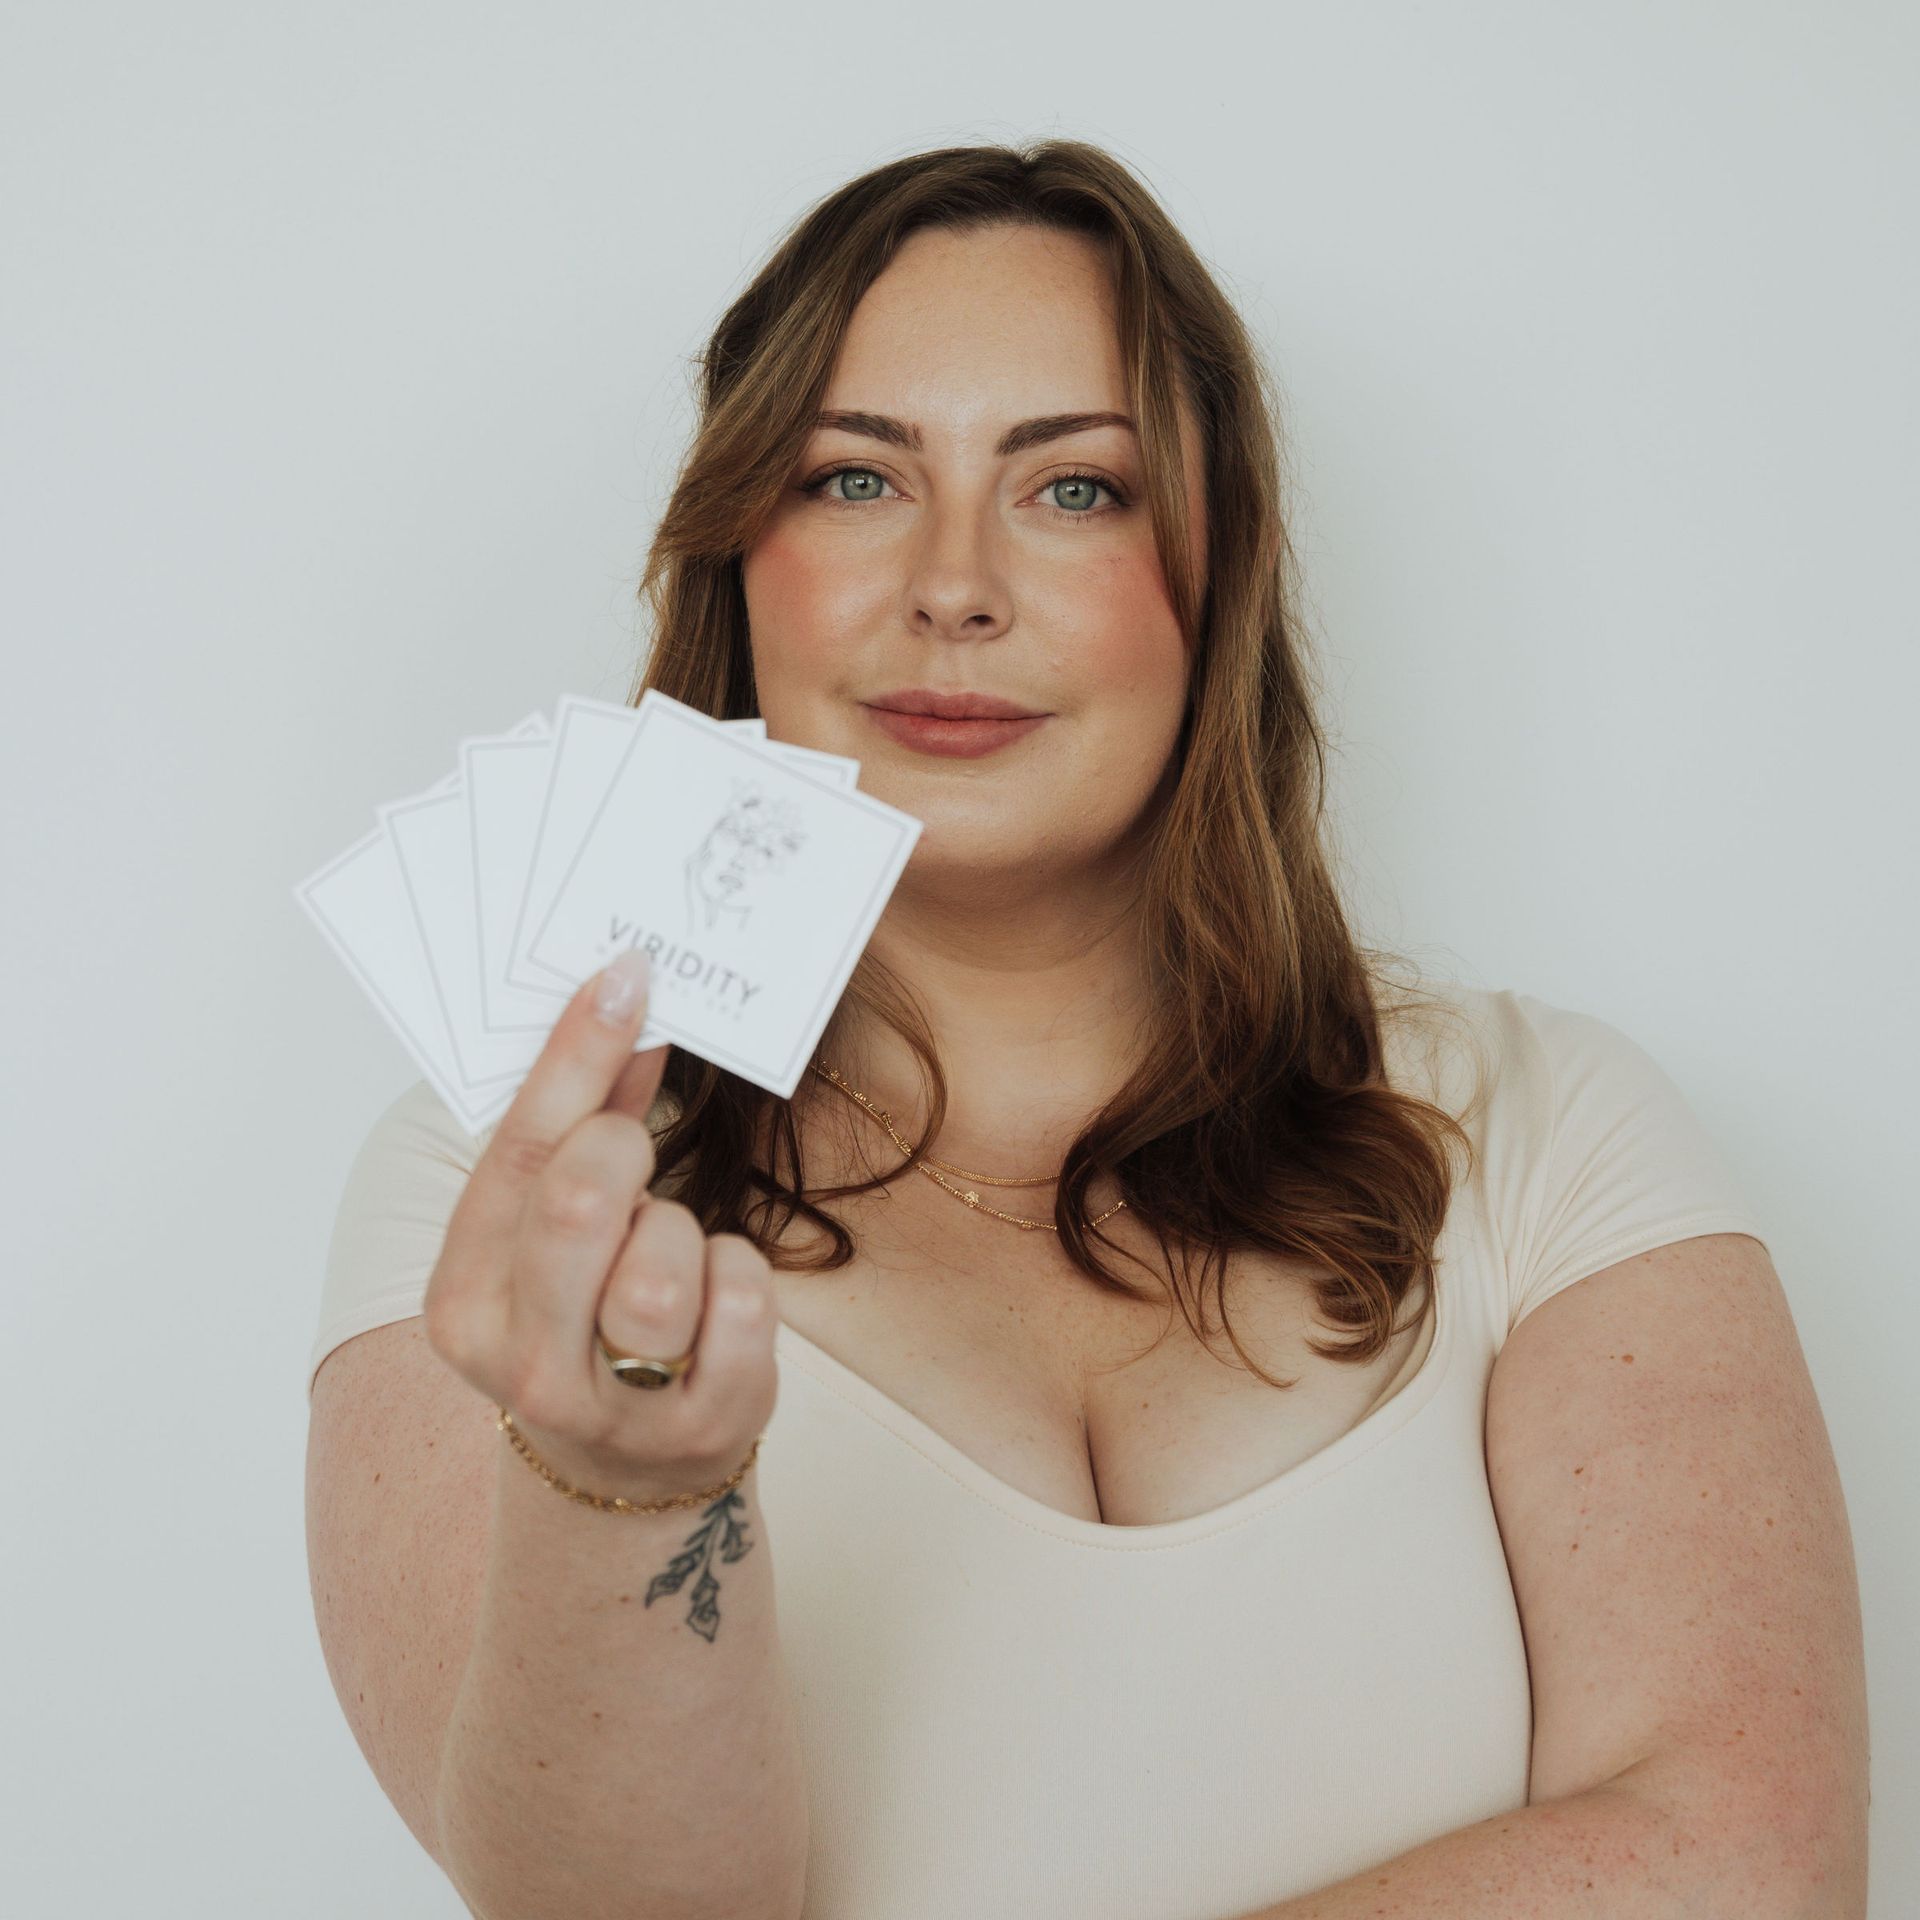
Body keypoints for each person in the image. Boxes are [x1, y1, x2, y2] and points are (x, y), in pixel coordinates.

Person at [305, 142, 1834, 1920]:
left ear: (1216, 577)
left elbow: (1746, 1860)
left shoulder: (1547, 1131)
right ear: (741, 564)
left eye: (1076, 489)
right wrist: (617, 1488)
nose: (954, 586)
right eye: (857, 477)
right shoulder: (505, 1203)